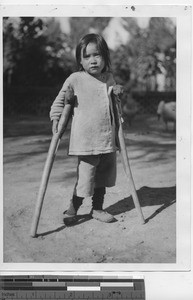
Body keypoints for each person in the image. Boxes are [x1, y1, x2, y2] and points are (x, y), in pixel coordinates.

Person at [50, 33, 123, 225]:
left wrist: (117, 92)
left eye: (97, 55)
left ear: (105, 57)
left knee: (103, 176)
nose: (93, 60)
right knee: (86, 178)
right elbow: (59, 102)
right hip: (86, 141)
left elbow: (116, 105)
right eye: (87, 56)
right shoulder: (75, 79)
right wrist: (56, 119)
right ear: (80, 61)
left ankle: (97, 209)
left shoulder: (109, 78)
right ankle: (72, 209)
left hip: (107, 139)